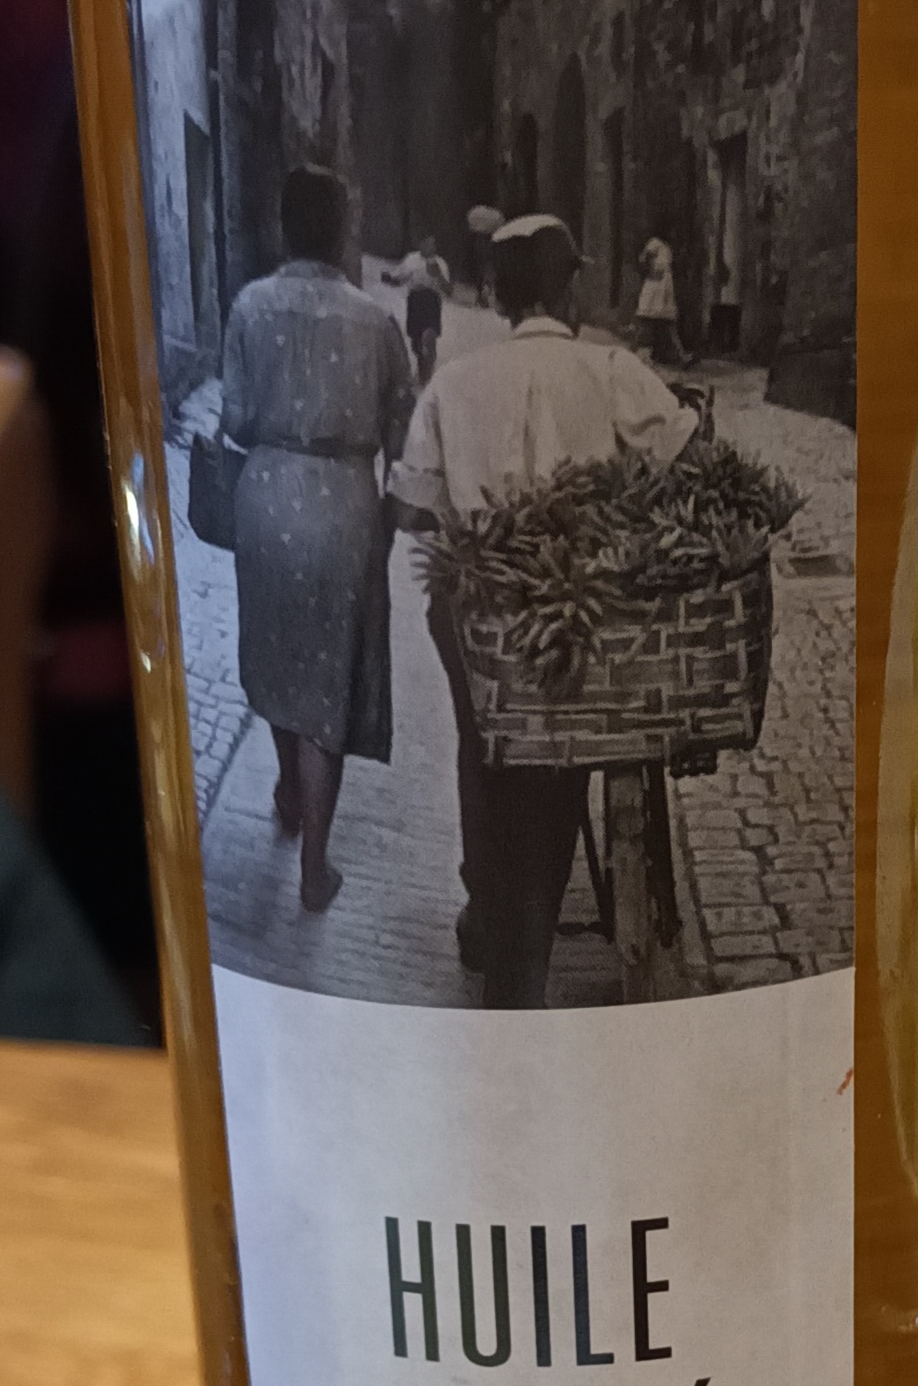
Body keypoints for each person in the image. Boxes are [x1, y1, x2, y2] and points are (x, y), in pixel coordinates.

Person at [392, 212, 696, 1008]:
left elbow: (412, 508)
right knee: (556, 761)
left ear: (497, 297)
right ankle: (517, 950)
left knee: (483, 746)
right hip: (576, 612)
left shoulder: (453, 383)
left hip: (478, 612)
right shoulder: (612, 370)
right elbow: (682, 453)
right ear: (568, 292)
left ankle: (493, 916)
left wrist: (479, 500)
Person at [223, 164, 413, 913]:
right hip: (343, 505)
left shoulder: (250, 306)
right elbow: (400, 435)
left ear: (283, 226)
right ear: (340, 232)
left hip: (266, 496)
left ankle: (285, 788)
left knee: (277, 651)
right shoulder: (377, 323)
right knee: (329, 672)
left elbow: (236, 419)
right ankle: (314, 866)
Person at [389, 235, 451, 383]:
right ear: (420, 244)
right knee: (416, 341)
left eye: (433, 244)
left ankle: (427, 374)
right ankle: (422, 368)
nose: (430, 247)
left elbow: (448, 290)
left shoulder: (440, 263)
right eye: (427, 243)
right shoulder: (411, 259)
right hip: (415, 300)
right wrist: (389, 279)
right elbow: (399, 278)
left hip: (431, 300)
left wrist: (438, 275)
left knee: (429, 337)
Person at [635, 234, 688, 366]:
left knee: (667, 320)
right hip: (655, 285)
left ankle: (679, 355)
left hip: (664, 285)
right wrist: (651, 272)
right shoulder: (655, 242)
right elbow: (644, 259)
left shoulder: (667, 248)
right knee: (648, 317)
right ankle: (644, 354)